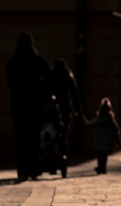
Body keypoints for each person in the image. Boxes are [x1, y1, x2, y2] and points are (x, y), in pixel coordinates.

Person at [5, 32, 52, 181]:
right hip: (35, 105)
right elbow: (50, 77)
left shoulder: (13, 61)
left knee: (21, 138)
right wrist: (45, 94)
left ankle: (22, 170)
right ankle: (33, 168)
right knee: (33, 138)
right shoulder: (38, 60)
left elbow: (10, 82)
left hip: (19, 105)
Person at [52, 59, 82, 175]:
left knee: (53, 136)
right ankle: (63, 159)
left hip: (54, 111)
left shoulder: (52, 76)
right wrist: (78, 111)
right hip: (65, 110)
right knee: (63, 137)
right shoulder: (68, 77)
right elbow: (75, 96)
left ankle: (53, 163)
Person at [86, 96, 121, 173]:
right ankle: (102, 168)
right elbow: (116, 130)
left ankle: (101, 167)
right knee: (104, 156)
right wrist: (118, 140)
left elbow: (90, 125)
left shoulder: (99, 119)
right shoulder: (110, 120)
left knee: (100, 155)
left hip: (99, 141)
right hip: (106, 141)